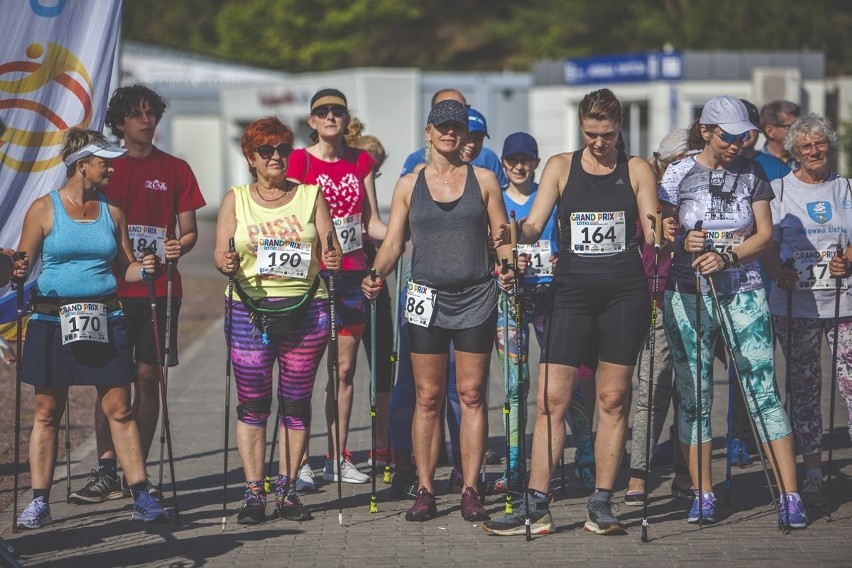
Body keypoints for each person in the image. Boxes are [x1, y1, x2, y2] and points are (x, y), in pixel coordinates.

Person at [484, 88, 658, 537]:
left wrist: (665, 228)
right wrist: (516, 235)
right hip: (573, 294)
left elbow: (654, 233)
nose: (599, 143)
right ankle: (536, 504)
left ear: (619, 127)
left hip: (624, 293)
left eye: (607, 134)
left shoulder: (636, 168)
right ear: (580, 127)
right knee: (551, 400)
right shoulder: (560, 166)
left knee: (613, 399)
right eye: (590, 134)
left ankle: (601, 502)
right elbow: (536, 223)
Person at [362, 99, 515, 522]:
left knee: (471, 395)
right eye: (443, 126)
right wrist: (375, 273)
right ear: (428, 133)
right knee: (427, 398)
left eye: (458, 127)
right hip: (425, 298)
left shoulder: (483, 179)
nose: (451, 133)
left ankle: (470, 486)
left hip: (477, 297)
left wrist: (507, 264)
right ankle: (425, 489)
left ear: (466, 135)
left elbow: (502, 235)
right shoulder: (409, 185)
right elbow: (393, 243)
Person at [659, 95, 806, 528]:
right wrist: (678, 241)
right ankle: (701, 491)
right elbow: (662, 233)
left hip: (743, 289)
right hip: (689, 293)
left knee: (763, 390)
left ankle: (790, 494)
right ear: (706, 131)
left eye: (744, 136)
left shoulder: (752, 171)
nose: (738, 144)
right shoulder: (677, 172)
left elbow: (764, 235)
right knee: (696, 396)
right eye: (729, 137)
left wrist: (729, 257)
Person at [13, 128, 169, 529]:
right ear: (82, 166)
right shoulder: (43, 210)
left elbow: (126, 269)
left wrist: (146, 269)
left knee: (119, 408)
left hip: (105, 316)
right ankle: (39, 502)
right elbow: (21, 268)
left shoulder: (112, 212)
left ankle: (142, 495)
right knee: (47, 411)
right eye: (105, 163)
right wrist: (9, 266)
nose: (112, 169)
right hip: (52, 319)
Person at [70, 84, 206, 504]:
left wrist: (177, 247)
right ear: (120, 122)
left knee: (149, 378)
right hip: (108, 288)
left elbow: (190, 232)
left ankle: (137, 473)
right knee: (111, 381)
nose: (147, 121)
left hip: (160, 289)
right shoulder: (104, 168)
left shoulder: (177, 169)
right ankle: (106, 469)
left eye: (152, 114)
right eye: (137, 114)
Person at [214, 117, 341, 524]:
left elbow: (330, 247)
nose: (276, 158)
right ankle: (254, 493)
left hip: (306, 309)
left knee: (296, 402)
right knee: (253, 404)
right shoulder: (236, 199)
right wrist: (226, 260)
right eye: (266, 151)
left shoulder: (310, 195)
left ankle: (287, 490)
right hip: (249, 311)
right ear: (250, 157)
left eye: (283, 150)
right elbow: (220, 253)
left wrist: (333, 257)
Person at [285, 89, 386, 486]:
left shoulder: (360, 160)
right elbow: (291, 217)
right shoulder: (299, 160)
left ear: (346, 119)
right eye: (322, 112)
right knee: (305, 371)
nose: (330, 117)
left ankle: (338, 457)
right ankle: (302, 460)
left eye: (337, 111)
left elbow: (371, 222)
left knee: (344, 370)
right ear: (311, 122)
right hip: (312, 278)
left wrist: (405, 233)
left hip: (352, 275)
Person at [492, 132, 595, 494]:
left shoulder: (549, 195)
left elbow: (572, 236)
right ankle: (516, 465)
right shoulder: (497, 201)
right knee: (515, 386)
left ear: (537, 163)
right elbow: (489, 248)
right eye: (512, 160)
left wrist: (561, 256)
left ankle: (585, 459)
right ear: (503, 164)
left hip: (553, 297)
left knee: (567, 387)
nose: (519, 166)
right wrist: (501, 265)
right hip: (513, 301)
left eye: (527, 159)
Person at [764, 113, 852, 507]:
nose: (814, 151)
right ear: (793, 152)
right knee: (805, 389)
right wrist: (777, 271)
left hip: (843, 303)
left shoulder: (845, 188)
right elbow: (764, 240)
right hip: (794, 304)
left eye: (820, 144)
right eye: (806, 146)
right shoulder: (779, 188)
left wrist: (847, 259)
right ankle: (813, 473)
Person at [624, 128, 693, 506]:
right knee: (652, 387)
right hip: (657, 295)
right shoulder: (653, 195)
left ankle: (685, 471)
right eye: (679, 160)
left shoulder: (703, 195)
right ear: (664, 163)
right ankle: (639, 473)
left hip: (696, 296)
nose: (686, 167)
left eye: (690, 159)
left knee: (691, 389)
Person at [345, 119, 395, 475]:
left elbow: (377, 225)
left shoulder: (369, 202)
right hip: (344, 282)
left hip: (375, 281)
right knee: (341, 370)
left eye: (375, 174)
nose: (370, 181)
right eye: (369, 171)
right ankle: (336, 451)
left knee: (381, 365)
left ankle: (382, 446)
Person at [400, 89, 508, 189]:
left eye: (461, 107)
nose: (450, 131)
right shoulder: (416, 162)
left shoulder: (487, 163)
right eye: (444, 109)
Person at [740, 99, 790, 182]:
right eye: (739, 125)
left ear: (758, 129)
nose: (745, 131)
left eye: (750, 125)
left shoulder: (778, 169)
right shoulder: (715, 165)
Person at [760, 100, 802, 169]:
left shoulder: (805, 160)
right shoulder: (755, 164)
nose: (799, 130)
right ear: (770, 131)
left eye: (800, 125)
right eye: (791, 126)